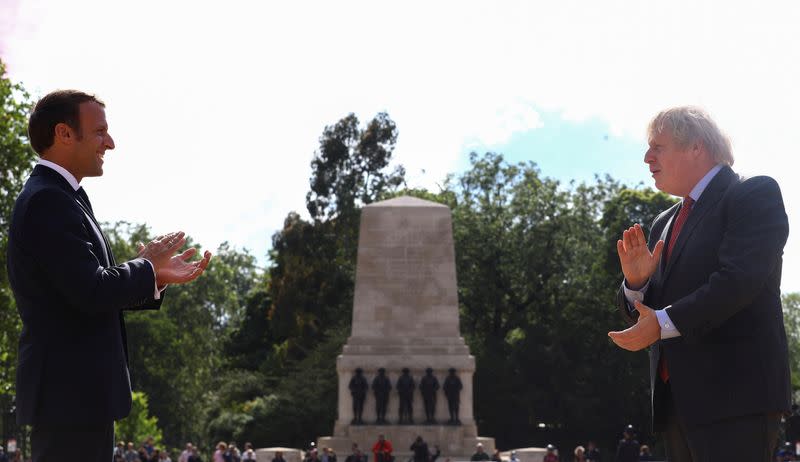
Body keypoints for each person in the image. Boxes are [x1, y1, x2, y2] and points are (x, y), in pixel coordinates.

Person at [7, 90, 212, 461]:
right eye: (100, 131)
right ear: (64, 133)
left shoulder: (65, 197)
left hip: (79, 400)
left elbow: (86, 293)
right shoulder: (47, 201)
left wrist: (155, 277)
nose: (111, 143)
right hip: (69, 399)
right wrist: (146, 266)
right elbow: (91, 290)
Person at [609, 106, 790, 461]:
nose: (647, 158)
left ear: (695, 147)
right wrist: (637, 283)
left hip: (737, 399)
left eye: (657, 147)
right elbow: (646, 314)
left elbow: (739, 280)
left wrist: (660, 325)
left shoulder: (753, 193)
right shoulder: (664, 221)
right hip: (676, 405)